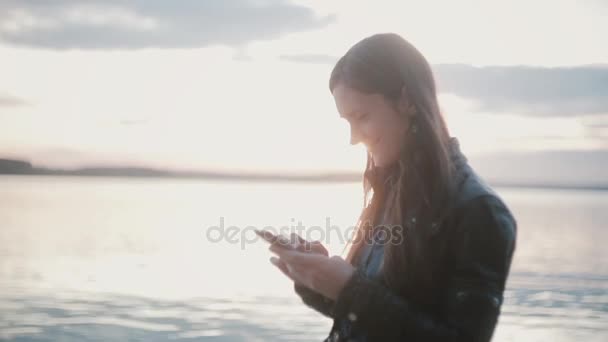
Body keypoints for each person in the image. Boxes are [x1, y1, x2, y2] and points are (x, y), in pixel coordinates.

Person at [268, 32, 517, 342]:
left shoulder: (479, 211)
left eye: (361, 117)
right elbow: (367, 318)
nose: (353, 137)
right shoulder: (391, 189)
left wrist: (349, 288)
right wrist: (317, 279)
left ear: (407, 101)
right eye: (347, 121)